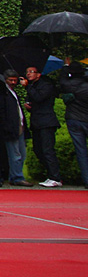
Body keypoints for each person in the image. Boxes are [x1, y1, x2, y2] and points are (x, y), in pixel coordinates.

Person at [23, 65, 62, 187]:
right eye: (27, 72)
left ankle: (55, 177)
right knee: (38, 149)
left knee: (48, 149)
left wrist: (27, 86)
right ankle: (51, 174)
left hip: (47, 121)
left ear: (38, 74)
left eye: (31, 72)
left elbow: (39, 97)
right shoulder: (33, 86)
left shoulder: (46, 84)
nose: (28, 74)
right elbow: (33, 100)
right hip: (37, 122)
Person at [0, 70, 32, 186]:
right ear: (5, 80)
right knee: (15, 153)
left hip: (19, 125)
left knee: (22, 153)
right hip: (11, 127)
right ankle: (17, 176)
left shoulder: (13, 93)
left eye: (14, 80)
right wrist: (6, 126)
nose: (13, 82)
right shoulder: (3, 94)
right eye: (10, 80)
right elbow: (1, 113)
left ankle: (15, 175)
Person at [58, 61, 88, 189]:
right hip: (85, 117)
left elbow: (61, 78)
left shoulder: (67, 84)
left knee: (81, 151)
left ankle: (87, 179)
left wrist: (65, 67)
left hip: (74, 118)